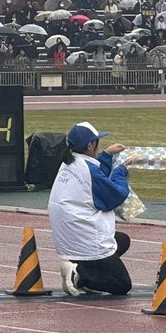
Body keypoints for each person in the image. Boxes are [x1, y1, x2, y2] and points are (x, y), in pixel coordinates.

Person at [48, 121, 132, 296]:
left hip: (68, 240)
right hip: (85, 240)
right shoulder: (88, 170)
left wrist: (107, 154)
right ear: (90, 145)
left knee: (122, 240)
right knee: (122, 284)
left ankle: (81, 270)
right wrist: (121, 171)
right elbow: (115, 195)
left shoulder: (69, 163)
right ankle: (79, 275)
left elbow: (96, 172)